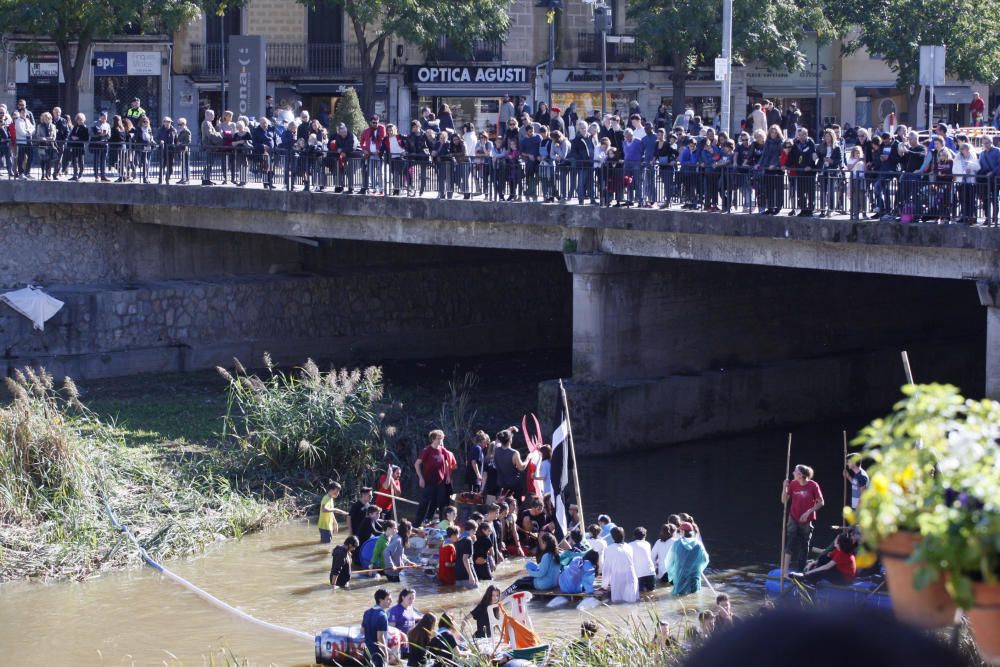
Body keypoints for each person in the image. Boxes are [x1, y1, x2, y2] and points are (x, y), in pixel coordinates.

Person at [782, 463, 824, 573]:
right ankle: (785, 571)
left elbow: (821, 503)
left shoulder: (813, 485)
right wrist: (784, 488)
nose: (793, 473)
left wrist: (808, 512)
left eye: (795, 471)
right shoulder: (793, 483)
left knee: (804, 545)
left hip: (807, 520)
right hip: (793, 517)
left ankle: (801, 572)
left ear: (800, 475)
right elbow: (784, 501)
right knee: (790, 542)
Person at [414, 429, 457, 526]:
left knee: (442, 504)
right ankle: (416, 525)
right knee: (424, 504)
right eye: (438, 438)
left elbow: (447, 463)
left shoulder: (443, 450)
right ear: (433, 439)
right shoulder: (427, 450)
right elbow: (417, 464)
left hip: (440, 482)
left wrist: (448, 476)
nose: (440, 440)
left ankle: (443, 525)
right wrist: (420, 478)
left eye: (441, 438)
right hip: (428, 482)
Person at [667, 521, 709, 596]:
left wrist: (671, 574)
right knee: (694, 597)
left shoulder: (676, 544)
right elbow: (705, 559)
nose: (679, 533)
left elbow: (669, 561)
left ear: (683, 532)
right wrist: (698, 567)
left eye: (680, 531)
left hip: (680, 576)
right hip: (694, 576)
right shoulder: (698, 544)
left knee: (679, 597)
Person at [601, 526, 638, 602]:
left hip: (617, 579)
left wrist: (604, 586)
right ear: (624, 535)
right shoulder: (629, 547)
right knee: (631, 602)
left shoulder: (609, 549)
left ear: (612, 537)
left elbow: (606, 569)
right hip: (630, 577)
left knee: (618, 602)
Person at [362, 588, 393, 667]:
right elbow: (380, 638)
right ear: (381, 600)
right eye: (388, 599)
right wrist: (385, 653)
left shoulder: (367, 612)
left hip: (367, 651)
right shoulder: (382, 615)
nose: (391, 601)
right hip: (377, 652)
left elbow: (362, 630)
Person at [630, 526, 656, 592]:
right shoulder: (647, 544)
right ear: (645, 535)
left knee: (640, 594)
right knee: (651, 593)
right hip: (650, 572)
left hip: (638, 574)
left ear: (634, 535)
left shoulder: (630, 545)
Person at [455, 519, 478, 588]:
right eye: (475, 531)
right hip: (466, 573)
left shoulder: (459, 539)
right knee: (476, 590)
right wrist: (471, 575)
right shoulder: (468, 540)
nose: (475, 533)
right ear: (471, 530)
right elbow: (465, 559)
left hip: (458, 573)